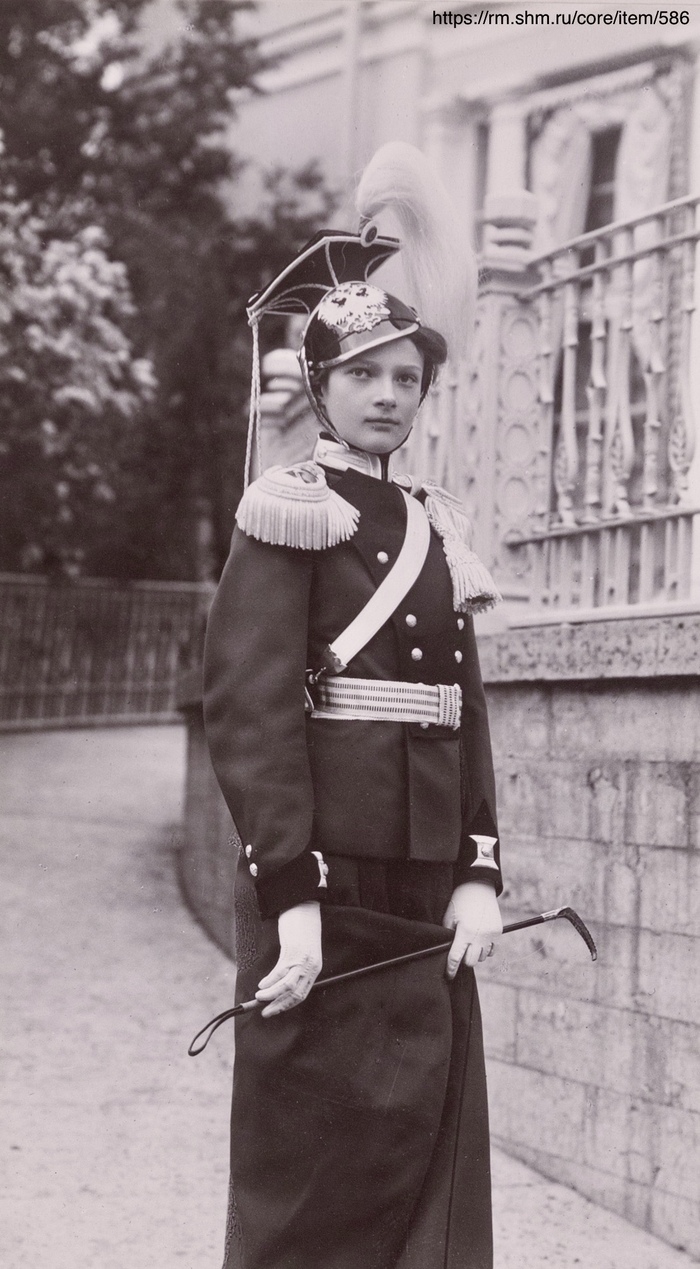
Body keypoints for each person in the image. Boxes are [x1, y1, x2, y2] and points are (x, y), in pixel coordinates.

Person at [203, 144, 504, 1269]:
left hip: (423, 878)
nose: (386, 396)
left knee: (418, 1145)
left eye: (406, 379)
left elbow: (465, 710)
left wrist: (479, 870)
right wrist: (289, 891)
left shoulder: (436, 524)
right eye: (364, 374)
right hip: (322, 874)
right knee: (314, 1163)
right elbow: (250, 716)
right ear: (322, 385)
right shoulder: (288, 509)